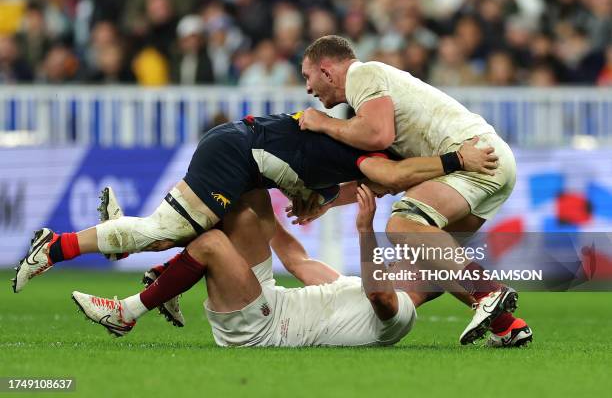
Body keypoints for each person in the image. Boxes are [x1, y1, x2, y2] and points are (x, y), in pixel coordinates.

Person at [13, 111, 496, 296]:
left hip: (240, 152)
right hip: (236, 155)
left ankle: (131, 253)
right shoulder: (374, 152)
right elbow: (391, 177)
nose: (397, 189)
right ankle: (55, 246)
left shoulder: (347, 148)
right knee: (170, 231)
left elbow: (342, 183)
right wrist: (459, 159)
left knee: (198, 234)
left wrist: (320, 203)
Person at [71, 186, 532, 347]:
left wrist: (366, 230)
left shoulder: (402, 318)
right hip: (267, 298)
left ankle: (127, 312)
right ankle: (129, 239)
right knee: (246, 202)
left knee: (212, 242)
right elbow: (294, 257)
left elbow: (380, 296)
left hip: (262, 329)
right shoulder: (346, 286)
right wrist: (286, 209)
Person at [298, 35, 529, 345]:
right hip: (488, 161)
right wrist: (327, 201)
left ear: (326, 71)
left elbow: (377, 134)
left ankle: (489, 292)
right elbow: (387, 179)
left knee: (403, 224)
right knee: (428, 261)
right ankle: (507, 326)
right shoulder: (373, 103)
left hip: (474, 157)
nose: (308, 88)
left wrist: (323, 123)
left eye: (307, 76)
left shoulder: (362, 75)